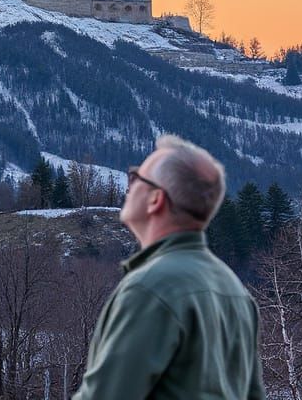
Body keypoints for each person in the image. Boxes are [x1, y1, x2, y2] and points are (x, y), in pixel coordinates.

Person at [72, 135, 265, 399]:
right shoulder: (236, 292)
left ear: (156, 200)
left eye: (135, 178)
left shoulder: (150, 288)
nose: (128, 186)